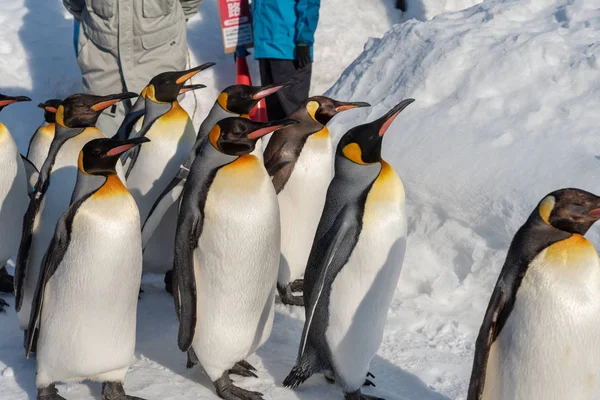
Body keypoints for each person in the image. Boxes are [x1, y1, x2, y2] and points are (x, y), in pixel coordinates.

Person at [63, 0, 203, 135]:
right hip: (103, 63)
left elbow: (189, 3)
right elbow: (75, 3)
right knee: (106, 143)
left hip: (160, 55)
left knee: (159, 141)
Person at [251, 0, 320, 120]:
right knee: (274, 112)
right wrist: (241, 40)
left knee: (295, 110)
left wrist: (303, 40)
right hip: (265, 49)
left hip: (289, 49)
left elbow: (309, 3)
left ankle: (301, 138)